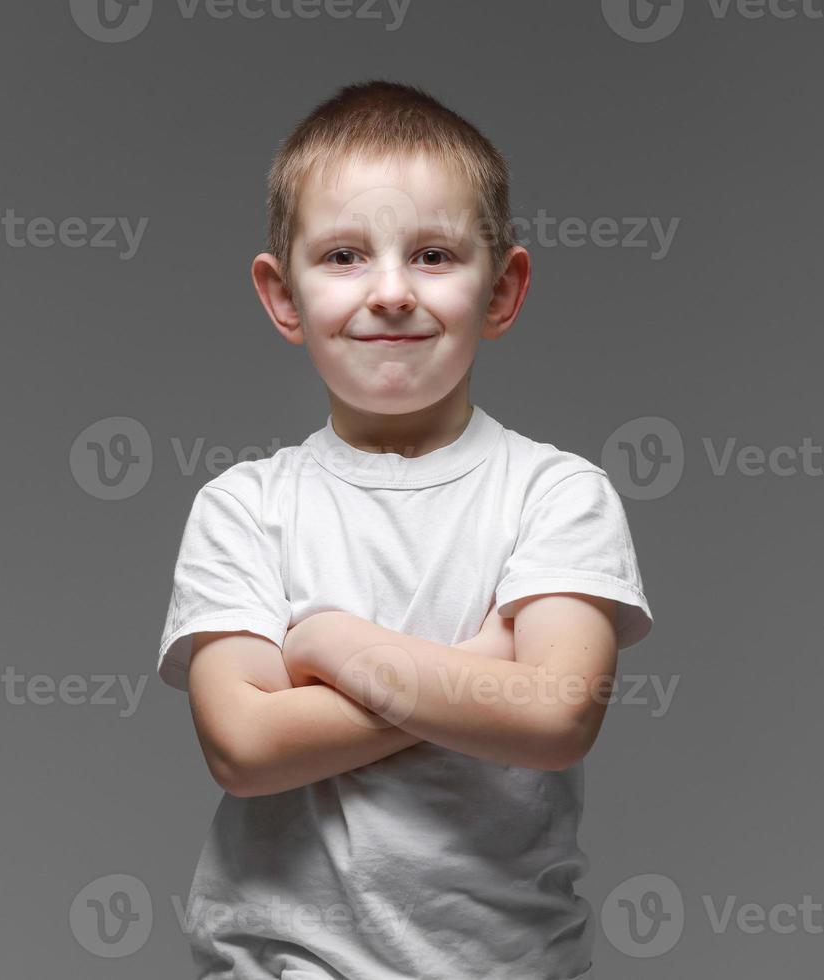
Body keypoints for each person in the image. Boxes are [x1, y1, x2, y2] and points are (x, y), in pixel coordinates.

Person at [156, 78, 654, 980]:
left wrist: (334, 643)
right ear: (283, 297)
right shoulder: (246, 507)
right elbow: (243, 747)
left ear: (501, 290)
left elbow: (555, 716)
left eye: (432, 255)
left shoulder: (556, 495)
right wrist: (483, 665)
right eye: (345, 256)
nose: (389, 293)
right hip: (285, 963)